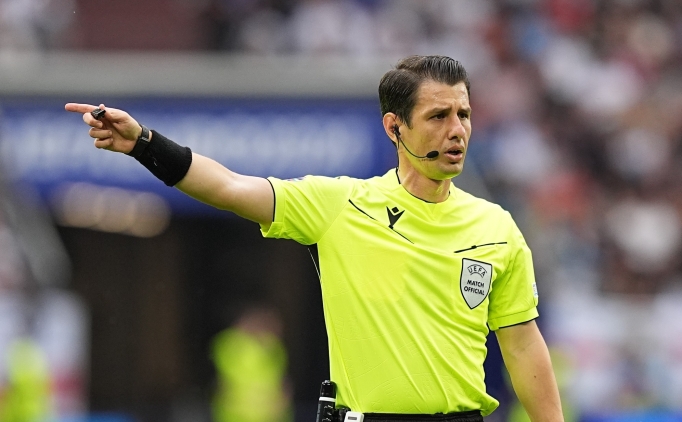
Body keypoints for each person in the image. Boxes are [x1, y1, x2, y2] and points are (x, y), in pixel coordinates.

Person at [65, 55, 563, 422]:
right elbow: (230, 187)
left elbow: (522, 346)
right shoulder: (340, 205)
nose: (457, 130)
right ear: (395, 127)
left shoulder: (497, 227)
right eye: (438, 116)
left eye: (464, 114)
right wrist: (145, 144)